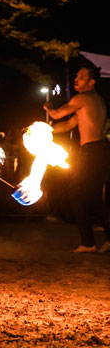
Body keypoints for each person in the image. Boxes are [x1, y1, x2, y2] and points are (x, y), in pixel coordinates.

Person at [44, 65, 110, 253]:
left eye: (81, 77)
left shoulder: (82, 98)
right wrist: (43, 129)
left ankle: (88, 243)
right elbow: (66, 125)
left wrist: (48, 107)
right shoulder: (95, 101)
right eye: (76, 75)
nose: (76, 79)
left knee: (76, 194)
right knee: (95, 198)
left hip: (91, 151)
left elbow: (57, 115)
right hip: (101, 150)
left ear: (92, 82)